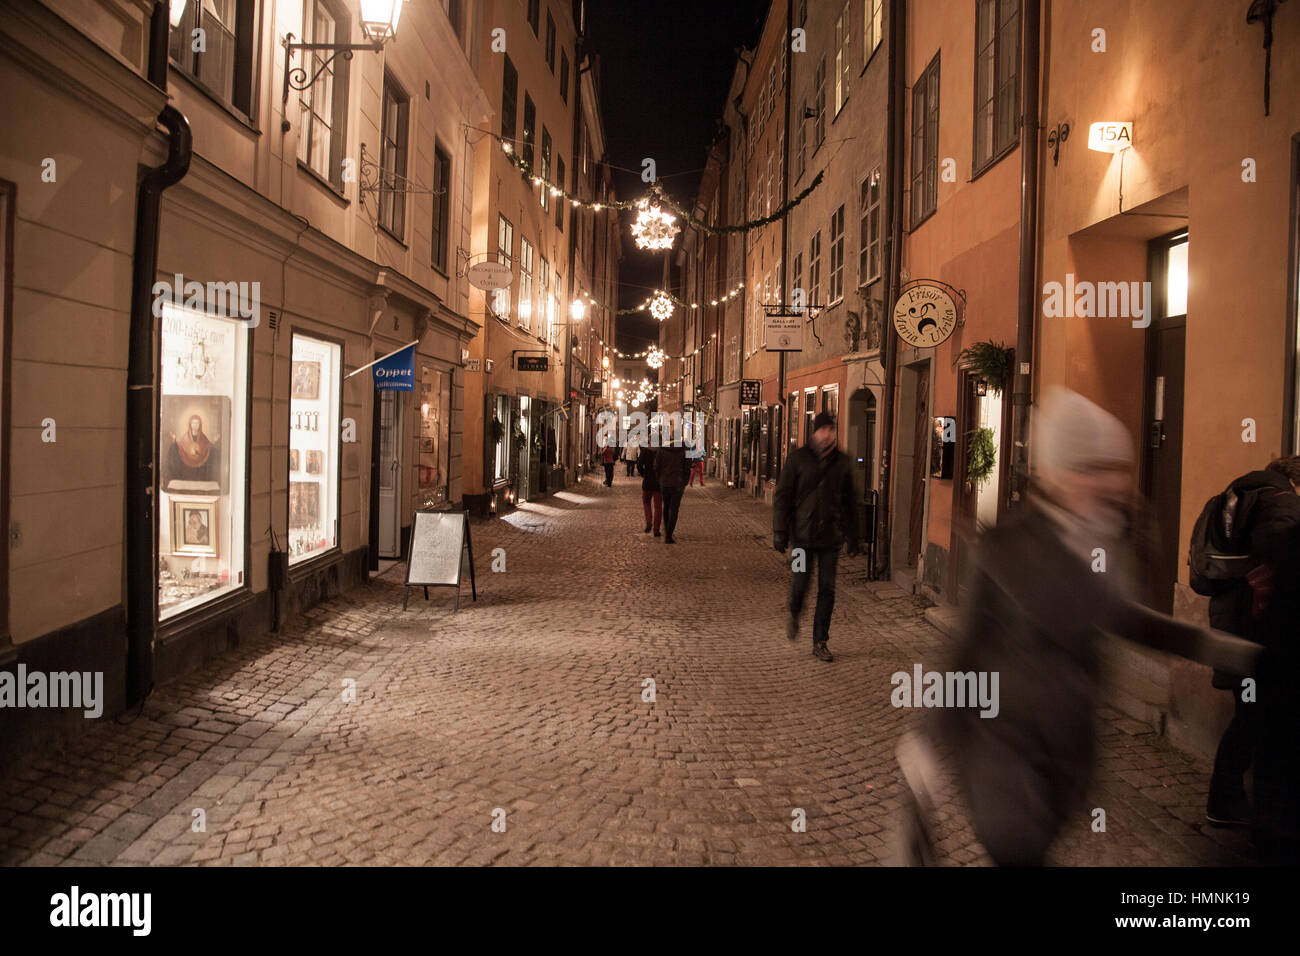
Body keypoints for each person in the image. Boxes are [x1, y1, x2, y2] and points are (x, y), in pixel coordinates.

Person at [903, 389, 1261, 866]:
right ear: (1055, 473)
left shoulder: (1110, 542)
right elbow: (963, 655)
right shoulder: (1007, 547)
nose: (1108, 483)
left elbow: (1123, 617)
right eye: (1090, 469)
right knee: (1018, 849)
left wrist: (1227, 649)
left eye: (1114, 470)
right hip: (1003, 748)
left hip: (1067, 750)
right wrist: (923, 762)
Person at [1199, 455, 1300, 828]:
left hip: (1234, 621)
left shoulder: (1240, 494)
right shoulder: (1281, 500)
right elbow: (1283, 559)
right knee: (1253, 718)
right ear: (1293, 480)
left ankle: (1229, 802)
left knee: (1249, 713)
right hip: (1256, 629)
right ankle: (1229, 803)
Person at [773, 412, 860, 662]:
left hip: (830, 540)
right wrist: (780, 532)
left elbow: (850, 502)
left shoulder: (842, 462)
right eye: (823, 430)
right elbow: (783, 497)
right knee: (800, 582)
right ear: (814, 432)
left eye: (831, 430)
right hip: (801, 538)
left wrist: (854, 536)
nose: (827, 434)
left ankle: (820, 641)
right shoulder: (798, 459)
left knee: (827, 589)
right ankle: (794, 612)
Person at [655, 430, 689, 544]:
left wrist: (659, 479)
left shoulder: (662, 449)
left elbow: (657, 466)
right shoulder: (684, 449)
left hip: (664, 482)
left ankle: (666, 531)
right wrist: (685, 481)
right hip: (678, 483)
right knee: (674, 509)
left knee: (666, 506)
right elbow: (687, 467)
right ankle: (669, 534)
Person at [638, 446, 662, 537]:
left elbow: (639, 465)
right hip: (658, 482)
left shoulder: (645, 451)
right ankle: (656, 530)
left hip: (647, 481)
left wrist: (644, 474)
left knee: (646, 502)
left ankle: (648, 521)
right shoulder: (662, 450)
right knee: (658, 506)